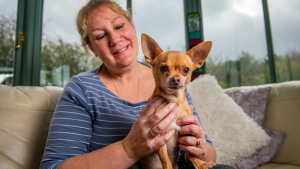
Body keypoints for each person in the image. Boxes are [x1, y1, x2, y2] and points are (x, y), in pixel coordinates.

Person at [40, 0, 227, 168]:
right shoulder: (81, 89)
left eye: (119, 26)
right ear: (91, 48)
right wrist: (128, 149)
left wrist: (197, 150)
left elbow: (208, 153)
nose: (115, 39)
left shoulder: (173, 84)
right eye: (99, 36)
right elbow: (53, 166)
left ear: (133, 26)